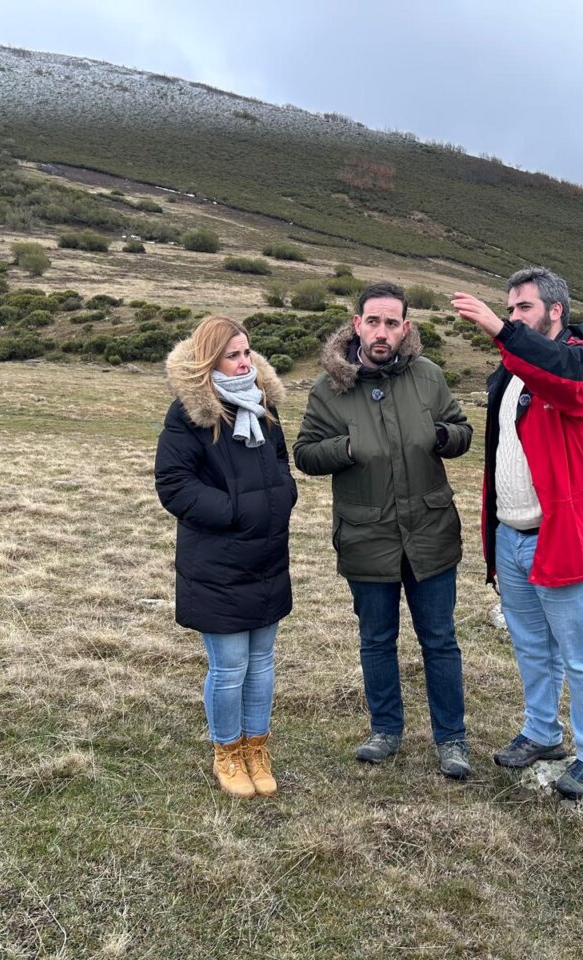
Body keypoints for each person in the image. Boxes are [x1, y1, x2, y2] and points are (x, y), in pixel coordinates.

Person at [294, 281, 474, 778]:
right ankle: (385, 730)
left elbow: (461, 430)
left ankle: (452, 739)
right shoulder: (328, 388)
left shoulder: (428, 375)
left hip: (430, 533)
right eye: (373, 321)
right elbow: (305, 453)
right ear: (357, 325)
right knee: (376, 639)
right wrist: (347, 449)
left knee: (440, 640)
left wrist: (444, 435)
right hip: (366, 536)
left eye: (391, 323)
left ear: (405, 328)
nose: (381, 331)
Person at [452, 267, 583, 797]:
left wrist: (502, 332)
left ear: (555, 310)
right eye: (509, 309)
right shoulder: (510, 370)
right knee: (530, 646)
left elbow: (563, 376)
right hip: (512, 534)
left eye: (524, 307)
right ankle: (542, 732)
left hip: (565, 535)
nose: (514, 316)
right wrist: (510, 342)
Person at [154, 316, 297, 799]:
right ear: (209, 360)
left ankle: (257, 748)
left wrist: (281, 496)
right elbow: (173, 483)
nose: (244, 362)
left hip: (267, 555)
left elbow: (280, 462)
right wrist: (235, 511)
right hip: (217, 561)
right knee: (230, 665)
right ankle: (227, 751)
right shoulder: (189, 413)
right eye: (233, 355)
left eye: (247, 352)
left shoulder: (264, 404)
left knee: (262, 662)